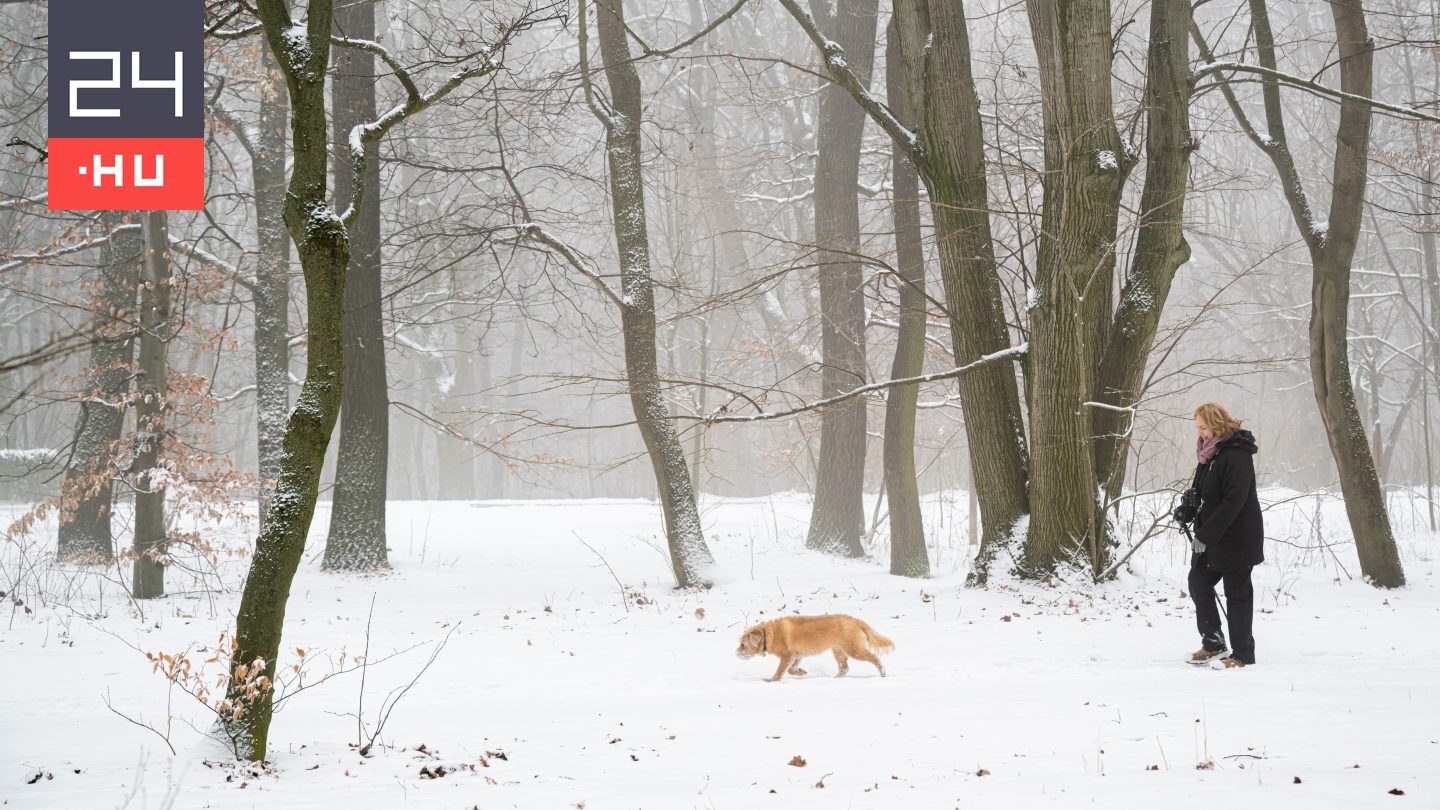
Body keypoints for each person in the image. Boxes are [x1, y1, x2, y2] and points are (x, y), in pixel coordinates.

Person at [1174, 402, 1264, 668]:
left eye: (1203, 426)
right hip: (1212, 537)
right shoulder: (1208, 455)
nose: (1200, 432)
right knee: (1198, 583)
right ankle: (1213, 643)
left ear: (1217, 424)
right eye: (1198, 427)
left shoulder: (1237, 455)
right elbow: (1200, 493)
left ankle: (1243, 654)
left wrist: (1206, 535)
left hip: (1237, 538)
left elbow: (1233, 502)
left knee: (1237, 595)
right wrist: (1186, 509)